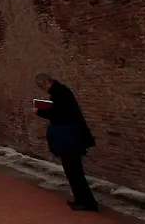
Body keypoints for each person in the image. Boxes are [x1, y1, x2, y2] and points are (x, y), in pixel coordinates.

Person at [36, 73, 98, 212]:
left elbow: (59, 115)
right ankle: (81, 199)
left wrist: (39, 112)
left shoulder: (59, 94)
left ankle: (87, 202)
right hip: (71, 138)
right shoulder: (60, 91)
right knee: (73, 171)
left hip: (70, 139)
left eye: (41, 86)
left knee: (74, 171)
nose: (42, 89)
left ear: (47, 82)